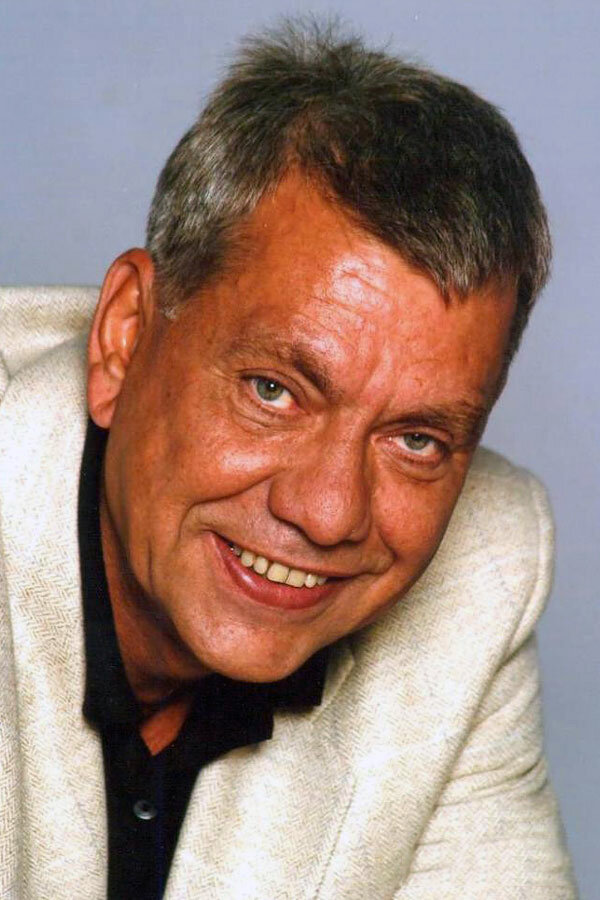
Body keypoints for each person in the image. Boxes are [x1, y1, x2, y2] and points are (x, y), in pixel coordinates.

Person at [0, 19, 578, 900]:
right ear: (124, 338)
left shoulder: (483, 576)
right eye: (274, 391)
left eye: (416, 440)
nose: (328, 511)